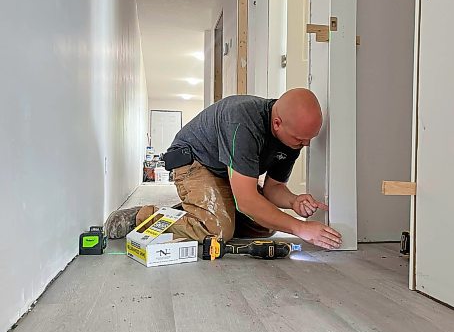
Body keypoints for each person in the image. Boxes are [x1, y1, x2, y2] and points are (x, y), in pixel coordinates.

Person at [105, 88, 342, 250]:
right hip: (193, 162)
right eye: (301, 140)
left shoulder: (292, 136)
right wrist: (300, 228)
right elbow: (247, 201)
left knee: (264, 226)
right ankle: (142, 217)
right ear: (277, 123)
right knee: (217, 230)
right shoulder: (242, 120)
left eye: (309, 139)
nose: (306, 145)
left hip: (224, 174)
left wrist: (293, 201)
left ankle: (201, 209)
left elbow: (274, 188)